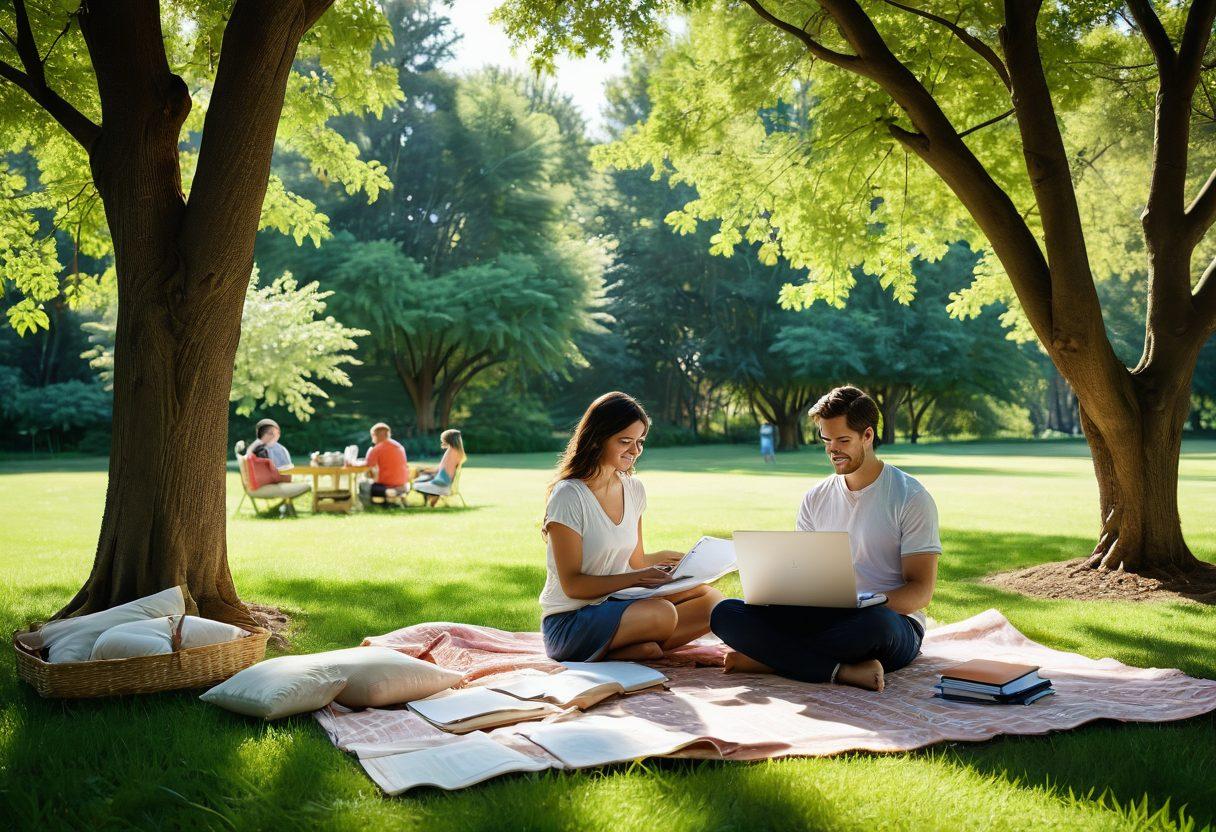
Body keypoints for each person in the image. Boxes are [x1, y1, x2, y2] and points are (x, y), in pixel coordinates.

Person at [710, 385, 941, 691]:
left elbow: (921, 592)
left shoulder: (910, 496)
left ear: (868, 436)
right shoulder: (815, 498)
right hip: (825, 619)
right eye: (827, 441)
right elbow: (803, 576)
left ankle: (768, 658)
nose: (833, 450)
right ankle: (842, 671)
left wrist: (865, 605)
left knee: (873, 627)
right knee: (725, 614)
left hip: (887, 621)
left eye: (843, 440)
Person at [540, 392, 724, 662]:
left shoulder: (633, 488)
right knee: (661, 613)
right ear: (597, 439)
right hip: (570, 622)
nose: (635, 451)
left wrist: (684, 563)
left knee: (713, 602)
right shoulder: (569, 495)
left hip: (616, 604)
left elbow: (636, 561)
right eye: (625, 441)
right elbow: (573, 586)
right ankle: (629, 649)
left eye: (640, 442)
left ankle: (638, 649)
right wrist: (638, 578)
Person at [359, 422, 409, 507]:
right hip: (403, 484)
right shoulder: (399, 446)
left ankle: (368, 505)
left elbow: (367, 465)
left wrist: (353, 463)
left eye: (373, 436)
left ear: (375, 435)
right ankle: (392, 495)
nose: (372, 439)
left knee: (362, 485)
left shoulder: (377, 448)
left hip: (387, 485)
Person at [413, 428, 467, 507]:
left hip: (442, 486)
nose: (442, 441)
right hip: (446, 484)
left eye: (443, 439)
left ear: (448, 440)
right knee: (424, 478)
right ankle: (432, 501)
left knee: (415, 485)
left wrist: (424, 470)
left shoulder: (450, 452)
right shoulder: (457, 452)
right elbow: (443, 469)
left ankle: (429, 503)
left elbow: (439, 470)